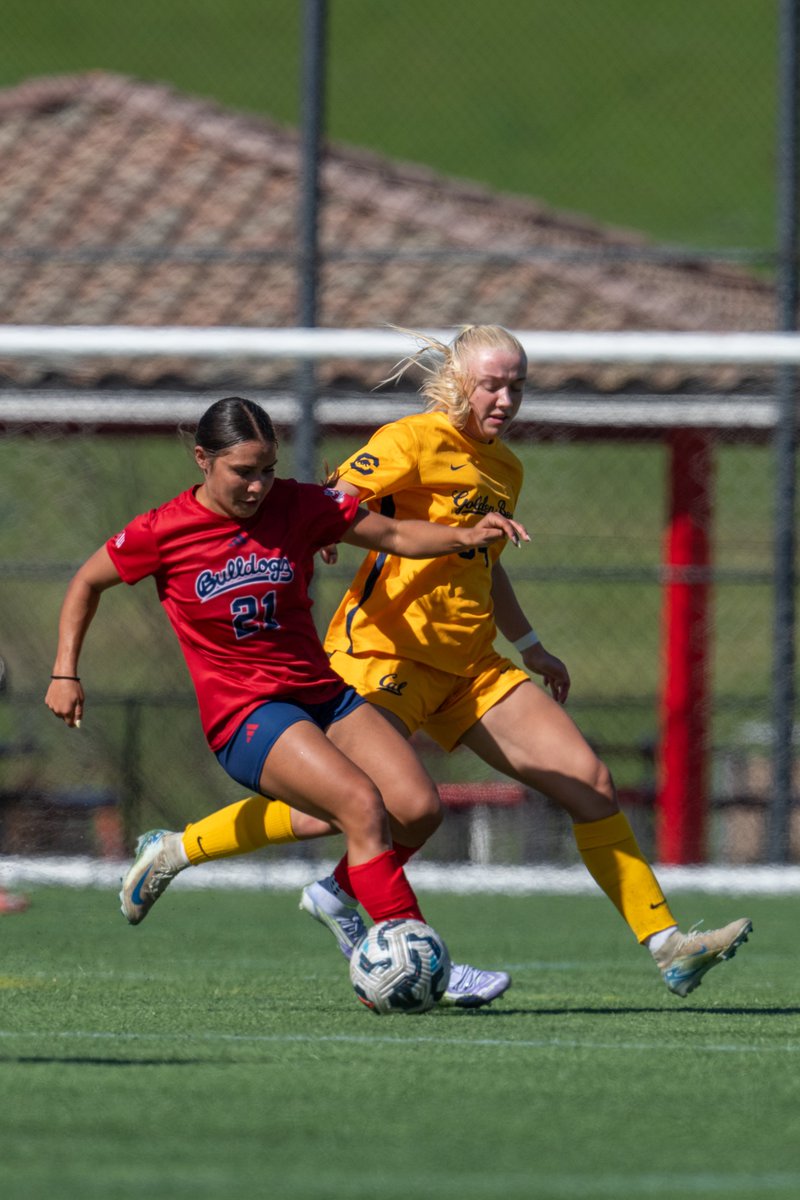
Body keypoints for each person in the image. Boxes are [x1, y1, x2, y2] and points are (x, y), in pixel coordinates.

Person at [130, 327, 752, 1001]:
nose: (506, 399)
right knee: (344, 807)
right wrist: (331, 529)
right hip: (383, 654)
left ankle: (667, 946)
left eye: (517, 386)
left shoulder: (506, 468)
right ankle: (178, 849)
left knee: (589, 782)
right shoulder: (411, 440)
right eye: (492, 385)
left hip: (472, 665)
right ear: (457, 380)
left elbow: (483, 560)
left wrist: (530, 643)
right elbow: (337, 491)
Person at [44, 394, 527, 1006]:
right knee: (360, 804)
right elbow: (87, 581)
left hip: (321, 695)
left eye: (268, 469)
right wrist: (65, 671)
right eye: (243, 471)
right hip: (246, 714)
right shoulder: (163, 530)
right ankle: (417, 954)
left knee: (418, 808)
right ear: (202, 460)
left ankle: (228, 867)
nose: (258, 485)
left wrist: (465, 534)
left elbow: (393, 532)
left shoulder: (298, 504)